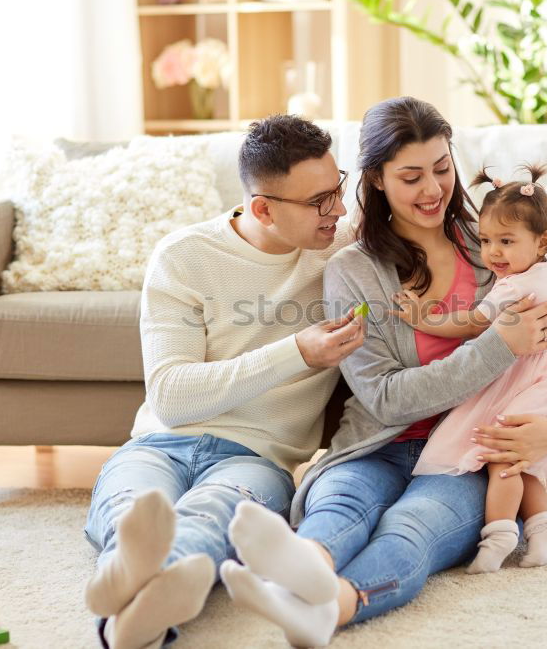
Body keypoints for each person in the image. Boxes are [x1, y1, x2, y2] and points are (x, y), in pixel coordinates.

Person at [219, 96, 547, 647]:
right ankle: (297, 577)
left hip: (470, 455)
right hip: (376, 444)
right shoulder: (353, 271)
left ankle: (336, 604)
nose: (433, 189)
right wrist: (498, 346)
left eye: (442, 168)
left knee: (413, 529)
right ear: (377, 179)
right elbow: (384, 398)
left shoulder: (500, 248)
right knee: (342, 505)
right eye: (411, 176)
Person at [81, 115, 367, 649]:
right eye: (319, 202)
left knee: (212, 514)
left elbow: (459, 242)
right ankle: (146, 593)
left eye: (339, 188)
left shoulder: (344, 253)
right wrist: (296, 352)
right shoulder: (184, 256)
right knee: (135, 506)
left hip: (255, 457)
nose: (341, 210)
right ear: (262, 208)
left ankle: (124, 619)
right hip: (159, 442)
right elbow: (171, 395)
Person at [395, 165, 547, 575]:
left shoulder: (512, 286)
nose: (493, 253)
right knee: (519, 454)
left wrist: (424, 319)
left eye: (507, 242)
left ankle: (500, 533)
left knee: (500, 450)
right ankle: (544, 526)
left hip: (533, 374)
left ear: (543, 242)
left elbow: (472, 322)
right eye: (487, 240)